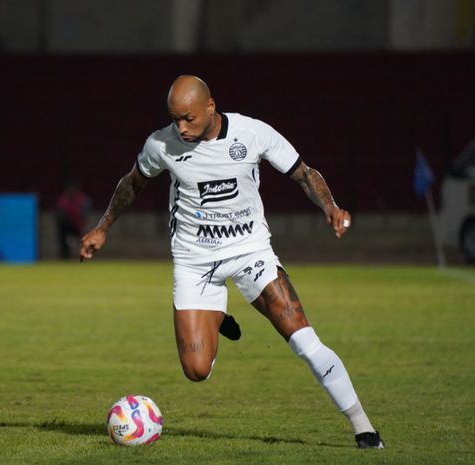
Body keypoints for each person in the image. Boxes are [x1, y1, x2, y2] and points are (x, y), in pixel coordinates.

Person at [80, 75, 384, 449]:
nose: (182, 127)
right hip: (195, 262)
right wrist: (102, 227)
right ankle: (217, 315)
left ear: (211, 107)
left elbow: (304, 173)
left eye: (188, 118)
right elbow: (132, 183)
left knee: (303, 339)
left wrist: (330, 206)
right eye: (175, 119)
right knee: (196, 370)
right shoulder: (161, 144)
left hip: (250, 253)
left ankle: (363, 427)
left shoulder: (253, 133)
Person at [55, 179, 91, 259]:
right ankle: (65, 256)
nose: (72, 191)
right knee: (63, 233)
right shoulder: (63, 200)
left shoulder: (82, 199)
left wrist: (82, 224)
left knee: (85, 236)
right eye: (70, 189)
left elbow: (85, 212)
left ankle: (84, 255)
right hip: (67, 225)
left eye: (73, 188)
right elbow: (60, 214)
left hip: (79, 224)